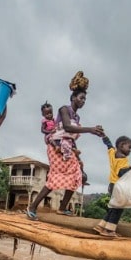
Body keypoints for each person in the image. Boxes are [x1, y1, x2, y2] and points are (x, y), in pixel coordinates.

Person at [26, 71, 104, 220]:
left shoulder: (77, 116)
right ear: (73, 97)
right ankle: (32, 207)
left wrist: (75, 150)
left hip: (67, 148)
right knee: (55, 177)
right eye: (81, 98)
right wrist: (90, 129)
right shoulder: (64, 109)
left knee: (77, 175)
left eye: (85, 99)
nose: (83, 101)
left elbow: (71, 135)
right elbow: (68, 128)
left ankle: (62, 208)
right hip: (56, 147)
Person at [93, 135, 131, 237]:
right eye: (129, 147)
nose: (130, 150)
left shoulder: (112, 153)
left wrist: (104, 136)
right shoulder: (123, 159)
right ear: (121, 145)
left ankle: (101, 226)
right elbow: (120, 172)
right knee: (118, 209)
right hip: (119, 186)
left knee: (113, 207)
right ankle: (109, 230)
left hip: (111, 185)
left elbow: (109, 145)